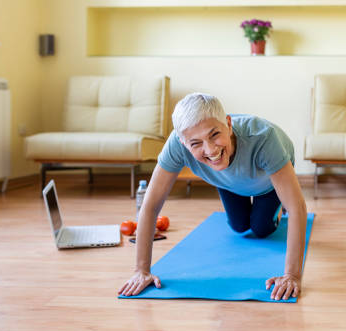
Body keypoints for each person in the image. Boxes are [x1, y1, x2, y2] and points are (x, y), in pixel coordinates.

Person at [118, 93, 307, 301]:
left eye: (215, 134)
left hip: (267, 184)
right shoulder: (176, 146)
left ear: (228, 124)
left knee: (261, 229)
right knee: (239, 227)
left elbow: (297, 207)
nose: (210, 148)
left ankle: (276, 209)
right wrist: (141, 270)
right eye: (196, 143)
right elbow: (151, 204)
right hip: (227, 180)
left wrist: (292, 275)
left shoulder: (263, 138)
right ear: (182, 142)